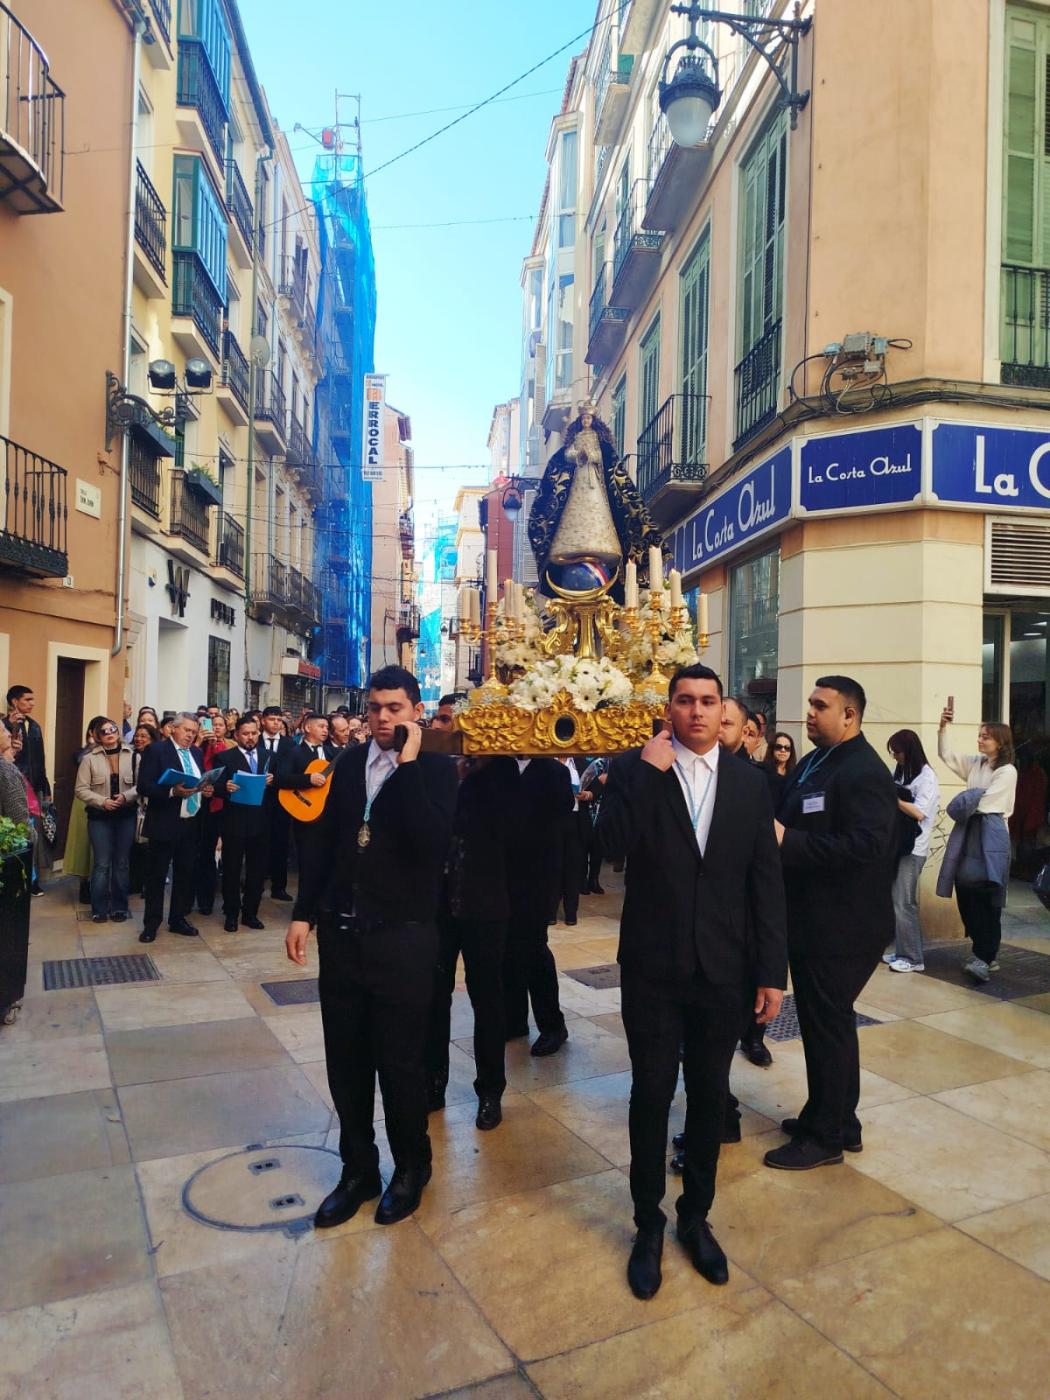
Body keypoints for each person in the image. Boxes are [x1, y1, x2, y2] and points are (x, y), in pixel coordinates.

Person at [597, 663, 787, 1300]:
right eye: (686, 701)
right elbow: (610, 845)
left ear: (723, 709)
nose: (698, 711)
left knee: (709, 1096)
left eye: (709, 701)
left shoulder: (749, 783)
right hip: (652, 966)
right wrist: (648, 776)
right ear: (669, 709)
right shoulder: (635, 768)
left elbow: (765, 882)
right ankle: (647, 1224)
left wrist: (771, 972)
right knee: (651, 1094)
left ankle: (695, 1217)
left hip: (722, 970)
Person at [286, 665, 457, 1228]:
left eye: (395, 708)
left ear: (416, 712)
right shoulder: (348, 762)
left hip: (403, 937)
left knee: (401, 1062)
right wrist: (303, 913)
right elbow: (325, 844)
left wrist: (407, 766)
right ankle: (357, 1169)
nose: (383, 718)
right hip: (343, 936)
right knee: (347, 1061)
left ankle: (411, 1167)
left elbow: (429, 843)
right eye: (376, 708)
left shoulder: (437, 771)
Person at [765, 675, 898, 1172]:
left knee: (828, 1028)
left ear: (850, 715)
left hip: (843, 926)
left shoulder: (864, 770)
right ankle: (840, 1120)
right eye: (811, 704)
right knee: (829, 1024)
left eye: (821, 706)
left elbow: (867, 847)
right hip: (814, 920)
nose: (810, 712)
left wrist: (788, 841)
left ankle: (825, 1139)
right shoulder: (819, 759)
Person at [426, 755, 519, 1129]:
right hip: (440, 903)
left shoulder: (502, 770)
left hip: (485, 902)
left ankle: (490, 1090)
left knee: (487, 998)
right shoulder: (438, 767)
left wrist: (472, 775)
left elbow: (507, 828)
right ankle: (433, 1083)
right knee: (435, 996)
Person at [527, 401, 665, 598]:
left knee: (597, 510)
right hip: (578, 480)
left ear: (593, 421)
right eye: (584, 418)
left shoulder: (597, 440)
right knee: (576, 511)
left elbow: (601, 456)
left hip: (594, 481)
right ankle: (574, 544)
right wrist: (577, 454)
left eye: (588, 418)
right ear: (580, 421)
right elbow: (568, 453)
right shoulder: (577, 438)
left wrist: (591, 455)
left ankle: (600, 543)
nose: (586, 421)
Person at [937, 711, 1017, 983]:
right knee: (965, 891)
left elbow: (986, 803)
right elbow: (947, 756)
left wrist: (966, 799)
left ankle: (986, 957)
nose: (980, 740)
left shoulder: (1007, 771)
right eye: (980, 735)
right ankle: (981, 952)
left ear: (1000, 742)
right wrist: (943, 727)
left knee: (986, 895)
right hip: (969, 831)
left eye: (986, 737)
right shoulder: (977, 764)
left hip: (991, 836)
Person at [504, 756, 574, 1056]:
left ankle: (553, 1024)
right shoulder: (497, 765)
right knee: (507, 949)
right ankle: (514, 1019)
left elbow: (558, 820)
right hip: (501, 874)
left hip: (537, 877)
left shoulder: (553, 770)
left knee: (534, 949)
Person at [136, 713, 214, 943]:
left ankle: (177, 918)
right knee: (157, 876)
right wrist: (171, 791)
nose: (190, 735)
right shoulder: (157, 750)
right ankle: (151, 924)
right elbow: (144, 786)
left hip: (190, 822)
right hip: (164, 821)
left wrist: (205, 789)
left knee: (185, 873)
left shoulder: (196, 753)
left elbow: (197, 781)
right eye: (186, 730)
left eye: (194, 732)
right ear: (172, 728)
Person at [884, 729, 940, 974]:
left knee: (904, 902)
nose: (895, 757)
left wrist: (893, 799)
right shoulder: (903, 772)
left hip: (914, 847)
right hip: (899, 844)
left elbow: (919, 812)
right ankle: (902, 951)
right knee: (897, 900)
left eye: (897, 752)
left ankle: (913, 957)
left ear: (909, 751)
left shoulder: (927, 777)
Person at [212, 715, 274, 932]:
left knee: (257, 871)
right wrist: (225, 787)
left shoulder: (268, 755)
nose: (250, 737)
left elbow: (279, 784)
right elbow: (215, 786)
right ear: (237, 735)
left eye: (254, 733)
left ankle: (250, 913)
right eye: (245, 734)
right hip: (234, 821)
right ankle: (231, 913)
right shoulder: (225, 757)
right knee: (232, 869)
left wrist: (272, 781)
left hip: (261, 821)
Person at [75, 719, 138, 924]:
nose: (110, 733)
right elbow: (80, 789)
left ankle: (119, 907)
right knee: (101, 863)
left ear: (118, 732)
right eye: (104, 731)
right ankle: (99, 909)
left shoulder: (134, 756)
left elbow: (141, 785)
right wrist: (102, 802)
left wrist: (126, 797)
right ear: (97, 736)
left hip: (126, 816)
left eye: (113, 729)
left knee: (122, 863)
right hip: (99, 818)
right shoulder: (89, 759)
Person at [5, 686, 51, 895]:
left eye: (33, 699)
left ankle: (32, 879)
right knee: (17, 833)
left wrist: (45, 787)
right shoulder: (5, 727)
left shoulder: (34, 726)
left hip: (35, 788)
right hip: (14, 787)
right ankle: (21, 880)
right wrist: (11, 726)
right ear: (15, 702)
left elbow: (40, 759)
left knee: (33, 835)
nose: (32, 703)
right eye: (27, 700)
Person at [195, 712, 231, 916]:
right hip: (199, 803)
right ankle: (201, 899)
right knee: (202, 853)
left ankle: (218, 899)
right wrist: (201, 741)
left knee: (221, 854)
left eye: (220, 725)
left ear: (226, 729)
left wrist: (216, 745)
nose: (216, 728)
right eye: (212, 724)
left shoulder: (229, 747)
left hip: (220, 804)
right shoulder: (197, 747)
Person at [258, 706, 295, 900]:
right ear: (263, 720)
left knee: (281, 843)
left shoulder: (289, 744)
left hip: (282, 798)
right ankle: (256, 883)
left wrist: (278, 779)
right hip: (259, 798)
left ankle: (279, 887)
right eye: (272, 719)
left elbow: (293, 770)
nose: (276, 723)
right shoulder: (255, 740)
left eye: (279, 720)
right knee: (259, 841)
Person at [551, 755, 585, 926]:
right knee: (553, 865)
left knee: (572, 866)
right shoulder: (546, 761)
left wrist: (588, 794)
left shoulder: (580, 762)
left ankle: (571, 912)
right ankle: (550, 911)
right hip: (552, 819)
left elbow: (595, 786)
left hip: (574, 818)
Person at [128, 723, 157, 897]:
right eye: (137, 736)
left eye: (143, 736)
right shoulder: (130, 755)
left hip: (149, 806)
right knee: (134, 847)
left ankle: (147, 883)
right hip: (133, 805)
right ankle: (135, 882)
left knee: (148, 848)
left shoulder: (156, 757)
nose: (139, 739)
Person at [578, 755, 609, 894]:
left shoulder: (609, 760)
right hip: (586, 806)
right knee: (583, 845)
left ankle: (594, 879)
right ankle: (582, 880)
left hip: (603, 806)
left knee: (598, 845)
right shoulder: (580, 759)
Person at [762, 732, 797, 808]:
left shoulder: (795, 773)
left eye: (787, 748)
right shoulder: (763, 771)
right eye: (778, 747)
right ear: (772, 749)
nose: (783, 750)